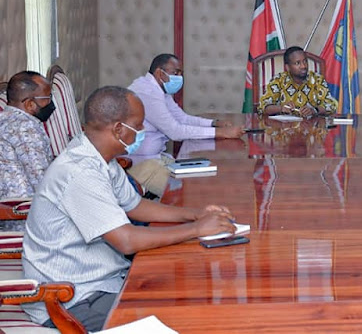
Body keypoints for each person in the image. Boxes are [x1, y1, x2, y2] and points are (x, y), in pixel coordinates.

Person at [21, 86, 237, 331]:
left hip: (104, 281)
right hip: (73, 299)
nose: (143, 130)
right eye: (139, 125)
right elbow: (126, 240)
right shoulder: (80, 172)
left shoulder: (101, 158)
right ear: (119, 129)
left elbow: (135, 206)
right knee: (183, 317)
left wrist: (194, 214)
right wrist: (196, 229)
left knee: (188, 289)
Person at [127, 53, 243, 196]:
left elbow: (182, 118)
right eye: (175, 73)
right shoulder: (147, 92)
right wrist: (221, 133)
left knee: (202, 174)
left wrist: (214, 124)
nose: (179, 78)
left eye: (181, 73)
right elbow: (175, 131)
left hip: (156, 158)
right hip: (141, 164)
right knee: (185, 191)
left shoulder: (159, 90)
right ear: (159, 73)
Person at [0, 71, 55, 202]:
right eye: (47, 97)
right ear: (30, 104)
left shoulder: (3, 119)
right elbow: (41, 180)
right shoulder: (26, 127)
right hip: (24, 213)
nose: (51, 103)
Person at [258, 46, 338, 118]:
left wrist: (314, 110)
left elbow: (331, 105)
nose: (303, 66)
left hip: (312, 131)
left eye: (305, 61)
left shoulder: (317, 80)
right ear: (288, 67)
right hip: (284, 131)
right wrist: (281, 108)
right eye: (297, 63)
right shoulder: (278, 80)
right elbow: (263, 106)